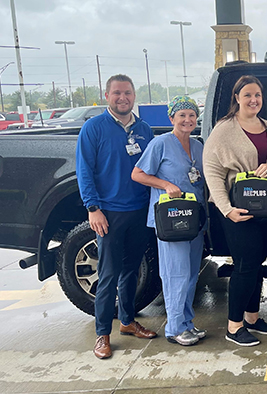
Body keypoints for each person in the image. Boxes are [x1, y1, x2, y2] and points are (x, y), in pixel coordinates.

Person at [76, 74, 157, 359]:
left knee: (131, 271)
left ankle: (127, 321)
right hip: (108, 213)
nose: (123, 98)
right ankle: (102, 334)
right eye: (117, 93)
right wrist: (92, 208)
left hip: (139, 210)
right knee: (108, 275)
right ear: (107, 95)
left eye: (128, 93)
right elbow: (84, 170)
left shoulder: (144, 129)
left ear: (134, 96)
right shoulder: (93, 128)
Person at [203, 75, 267, 347]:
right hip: (237, 209)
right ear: (236, 98)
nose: (253, 100)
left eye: (257, 95)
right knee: (245, 265)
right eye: (247, 95)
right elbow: (213, 173)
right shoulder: (224, 129)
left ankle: (252, 319)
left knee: (257, 263)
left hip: (265, 208)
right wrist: (227, 209)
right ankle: (234, 326)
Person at [132, 96, 206, 346]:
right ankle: (174, 328)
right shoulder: (160, 144)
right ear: (171, 118)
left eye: (192, 115)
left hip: (194, 219)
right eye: (182, 115)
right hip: (171, 221)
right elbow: (138, 174)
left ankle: (187, 322)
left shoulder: (198, 146)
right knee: (176, 272)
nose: (187, 120)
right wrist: (165, 184)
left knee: (192, 273)